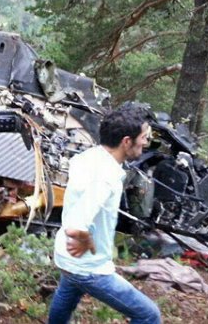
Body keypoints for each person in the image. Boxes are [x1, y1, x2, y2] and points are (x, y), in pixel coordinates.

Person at [48, 107, 161, 324]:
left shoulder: (90, 156)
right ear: (126, 141)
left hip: (66, 256)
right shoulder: (106, 177)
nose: (146, 143)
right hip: (89, 267)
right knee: (149, 315)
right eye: (144, 138)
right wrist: (86, 240)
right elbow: (77, 226)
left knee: (67, 293)